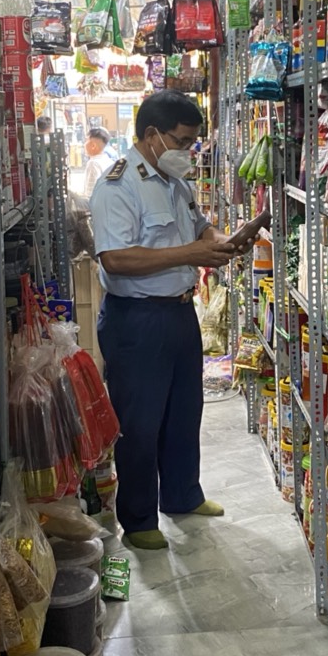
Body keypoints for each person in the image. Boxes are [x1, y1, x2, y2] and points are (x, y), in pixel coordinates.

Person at [90, 90, 256, 550]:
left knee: (184, 411)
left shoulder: (175, 182)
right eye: (182, 141)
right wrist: (192, 253)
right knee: (140, 421)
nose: (189, 151)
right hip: (137, 320)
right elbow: (116, 259)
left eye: (192, 143)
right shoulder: (117, 186)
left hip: (180, 312)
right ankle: (139, 518)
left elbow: (200, 225)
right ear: (152, 135)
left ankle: (182, 494)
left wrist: (221, 241)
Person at [81, 126, 117, 199]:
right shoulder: (109, 161)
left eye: (86, 141)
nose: (84, 144)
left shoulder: (93, 164)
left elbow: (90, 195)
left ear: (93, 146)